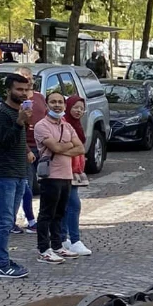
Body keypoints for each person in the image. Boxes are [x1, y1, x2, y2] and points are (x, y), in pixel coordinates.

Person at [0, 73, 34, 278]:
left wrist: (26, 152)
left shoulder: (20, 112)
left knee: (10, 219)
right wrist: (19, 122)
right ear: (8, 90)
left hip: (19, 172)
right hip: (5, 173)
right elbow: (4, 143)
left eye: (26, 90)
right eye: (19, 89)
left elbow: (18, 143)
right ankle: (2, 263)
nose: (23, 93)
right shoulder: (1, 114)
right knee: (5, 221)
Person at [34, 91, 83, 264]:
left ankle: (57, 245)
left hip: (66, 175)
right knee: (46, 213)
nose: (57, 105)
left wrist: (63, 147)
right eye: (53, 102)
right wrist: (68, 146)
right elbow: (55, 147)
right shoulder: (42, 126)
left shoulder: (66, 125)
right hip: (50, 175)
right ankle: (43, 249)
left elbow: (81, 148)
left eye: (60, 102)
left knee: (59, 213)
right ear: (47, 105)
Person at [14, 66, 45, 236]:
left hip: (42, 146)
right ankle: (30, 219)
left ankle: (43, 217)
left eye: (29, 76)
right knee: (27, 185)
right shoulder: (17, 101)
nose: (27, 78)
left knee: (44, 184)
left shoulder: (40, 98)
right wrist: (26, 149)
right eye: (22, 76)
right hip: (26, 147)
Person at [61, 95, 92, 256]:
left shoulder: (76, 125)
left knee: (67, 205)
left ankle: (63, 237)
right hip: (64, 170)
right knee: (73, 205)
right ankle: (74, 240)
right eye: (75, 107)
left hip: (74, 170)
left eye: (81, 108)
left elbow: (80, 148)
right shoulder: (64, 124)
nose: (79, 111)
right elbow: (70, 147)